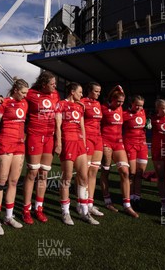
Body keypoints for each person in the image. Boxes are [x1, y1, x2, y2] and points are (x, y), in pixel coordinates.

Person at [0, 78, 29, 235]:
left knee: (13, 181)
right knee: (1, 182)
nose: (25, 96)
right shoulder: (4, 102)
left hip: (19, 145)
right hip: (5, 143)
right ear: (16, 90)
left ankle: (9, 217)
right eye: (23, 93)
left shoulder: (25, 103)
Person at [55, 82, 98, 226]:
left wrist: (84, 144)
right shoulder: (61, 104)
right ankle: (65, 212)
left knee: (84, 177)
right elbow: (58, 126)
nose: (82, 94)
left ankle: (84, 210)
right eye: (80, 92)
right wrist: (59, 143)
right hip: (67, 142)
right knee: (66, 178)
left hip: (80, 143)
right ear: (72, 92)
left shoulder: (80, 106)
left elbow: (82, 126)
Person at [22, 71, 59, 224]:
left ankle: (39, 208)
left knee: (44, 174)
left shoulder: (55, 95)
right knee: (32, 173)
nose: (55, 86)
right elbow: (17, 98)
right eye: (52, 84)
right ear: (43, 85)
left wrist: (58, 140)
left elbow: (58, 116)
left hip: (49, 138)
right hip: (34, 137)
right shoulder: (30, 94)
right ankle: (26, 210)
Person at [99, 85, 138, 217]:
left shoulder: (121, 108)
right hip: (106, 142)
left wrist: (120, 89)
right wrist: (115, 88)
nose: (120, 104)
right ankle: (107, 200)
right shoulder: (104, 108)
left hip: (118, 143)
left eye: (122, 102)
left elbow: (121, 93)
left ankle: (127, 205)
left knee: (125, 172)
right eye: (118, 101)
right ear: (112, 99)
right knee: (106, 171)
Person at [80, 82, 104, 217]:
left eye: (99, 92)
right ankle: (81, 203)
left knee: (94, 171)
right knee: (85, 172)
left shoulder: (98, 104)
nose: (98, 94)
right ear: (89, 90)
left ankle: (90, 203)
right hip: (87, 138)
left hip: (98, 139)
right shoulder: (82, 102)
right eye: (96, 91)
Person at [123, 95, 148, 210]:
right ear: (131, 103)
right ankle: (130, 197)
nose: (139, 107)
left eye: (141, 105)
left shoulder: (143, 112)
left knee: (140, 173)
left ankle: (137, 197)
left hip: (142, 146)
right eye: (137, 105)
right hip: (130, 145)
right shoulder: (124, 114)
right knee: (131, 173)